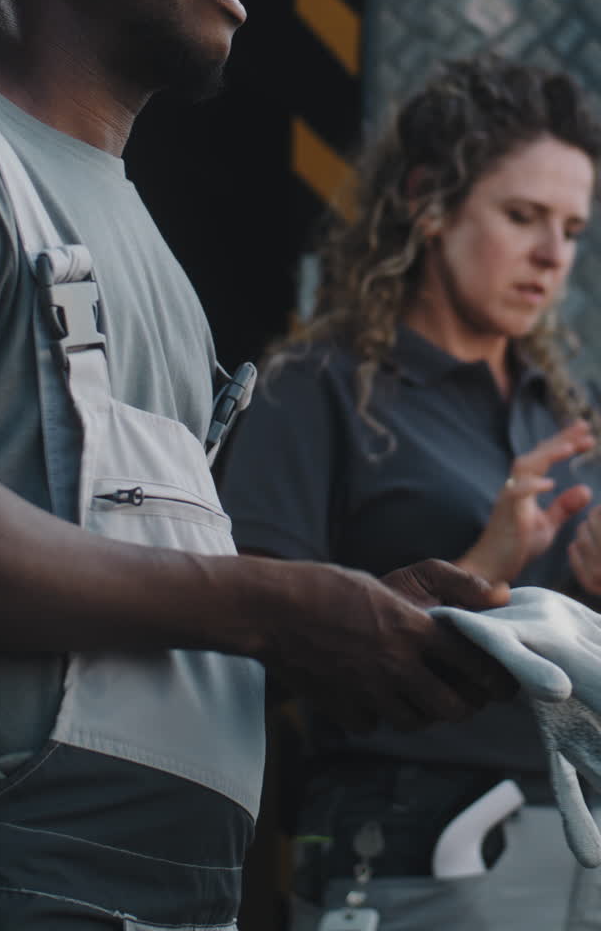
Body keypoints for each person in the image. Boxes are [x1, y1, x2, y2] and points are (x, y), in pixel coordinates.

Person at [0, 0, 512, 931]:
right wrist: (277, 606)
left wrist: (349, 614)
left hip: (160, 897)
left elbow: (144, 592)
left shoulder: (152, 257)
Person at [219, 54, 601, 931]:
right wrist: (476, 572)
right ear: (429, 201)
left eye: (573, 229)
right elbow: (241, 651)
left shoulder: (568, 419)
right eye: (523, 216)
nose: (552, 256)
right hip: (413, 856)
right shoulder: (316, 386)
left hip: (580, 855)